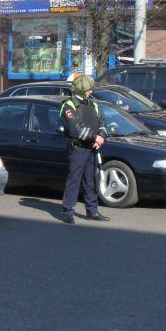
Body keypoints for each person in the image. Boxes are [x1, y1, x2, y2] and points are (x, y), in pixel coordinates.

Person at [59, 74, 110, 225]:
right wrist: (95, 137)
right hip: (78, 148)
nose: (91, 92)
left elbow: (103, 123)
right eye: (89, 89)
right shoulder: (69, 105)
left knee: (90, 180)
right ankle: (67, 212)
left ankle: (92, 211)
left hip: (91, 148)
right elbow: (76, 128)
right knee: (74, 180)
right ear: (81, 90)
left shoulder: (93, 105)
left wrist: (101, 136)